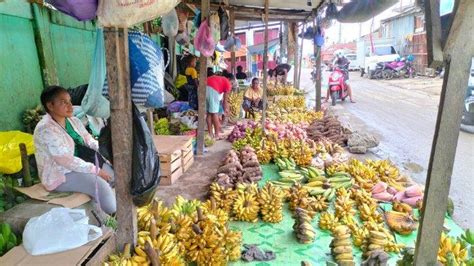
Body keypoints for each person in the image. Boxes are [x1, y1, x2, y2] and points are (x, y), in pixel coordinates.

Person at [33, 86, 116, 214]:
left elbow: (88, 141)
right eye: (63, 103)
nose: (70, 106)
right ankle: (115, 215)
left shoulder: (73, 121)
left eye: (69, 101)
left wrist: (107, 151)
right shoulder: (45, 129)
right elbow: (65, 160)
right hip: (61, 174)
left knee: (114, 176)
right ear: (50, 105)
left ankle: (109, 207)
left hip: (83, 163)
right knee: (101, 185)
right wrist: (95, 170)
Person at [206, 73, 232, 139]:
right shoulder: (228, 83)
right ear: (230, 80)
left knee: (209, 113)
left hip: (203, 87)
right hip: (212, 89)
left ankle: (210, 134)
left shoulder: (220, 79)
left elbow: (222, 101)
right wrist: (226, 110)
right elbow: (225, 101)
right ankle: (217, 135)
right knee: (215, 113)